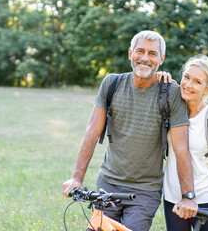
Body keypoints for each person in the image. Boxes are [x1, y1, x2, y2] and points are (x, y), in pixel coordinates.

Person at [62, 30, 198, 231]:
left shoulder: (172, 93)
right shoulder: (111, 84)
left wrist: (188, 196)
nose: (145, 58)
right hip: (107, 185)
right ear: (130, 53)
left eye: (152, 53)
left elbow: (181, 148)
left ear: (161, 58)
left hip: (144, 191)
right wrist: (76, 178)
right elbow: (91, 132)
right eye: (140, 51)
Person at [158, 54, 208, 231]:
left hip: (205, 200)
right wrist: (158, 76)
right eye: (186, 77)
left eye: (197, 82)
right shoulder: (172, 109)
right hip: (173, 197)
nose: (188, 85)